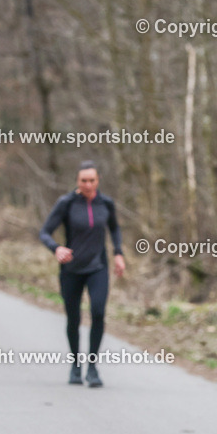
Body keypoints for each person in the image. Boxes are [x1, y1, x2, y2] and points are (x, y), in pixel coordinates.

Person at [39, 161, 125, 387]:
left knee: (97, 312)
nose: (88, 184)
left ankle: (93, 367)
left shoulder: (106, 203)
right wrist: (56, 248)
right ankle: (76, 364)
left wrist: (118, 253)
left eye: (92, 180)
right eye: (83, 181)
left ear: (98, 181)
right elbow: (45, 232)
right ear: (77, 181)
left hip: (98, 267)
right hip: (71, 269)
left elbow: (114, 228)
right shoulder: (66, 203)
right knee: (73, 318)